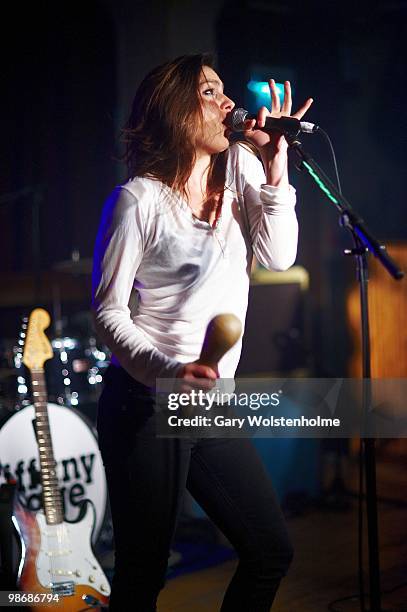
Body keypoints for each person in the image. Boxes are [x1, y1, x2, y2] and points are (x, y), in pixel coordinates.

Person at [92, 53, 313, 611]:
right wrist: (171, 371)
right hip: (145, 403)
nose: (230, 103)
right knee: (143, 578)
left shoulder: (240, 167)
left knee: (269, 551)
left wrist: (276, 168)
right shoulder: (137, 200)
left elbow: (279, 256)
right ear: (174, 110)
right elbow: (109, 313)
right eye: (210, 93)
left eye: (225, 91)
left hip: (210, 404)